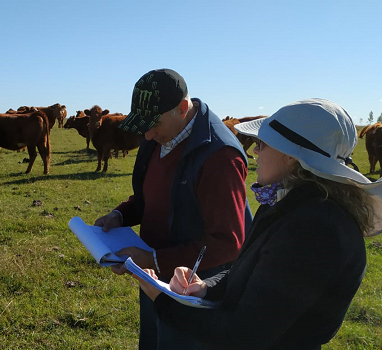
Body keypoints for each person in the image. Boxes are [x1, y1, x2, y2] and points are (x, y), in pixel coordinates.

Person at [128, 98, 381, 349]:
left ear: (291, 156)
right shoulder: (291, 204)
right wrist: (206, 287)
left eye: (262, 143)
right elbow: (254, 273)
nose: (255, 152)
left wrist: (162, 301)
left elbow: (243, 334)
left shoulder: (315, 230)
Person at [95, 68, 253, 349]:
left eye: (153, 124)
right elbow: (148, 195)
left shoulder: (219, 157)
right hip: (155, 278)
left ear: (182, 108)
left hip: (194, 290)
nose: (146, 133)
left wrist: (153, 259)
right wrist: (120, 215)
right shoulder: (158, 138)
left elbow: (228, 244)